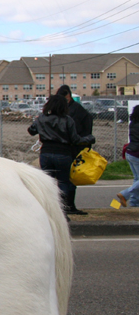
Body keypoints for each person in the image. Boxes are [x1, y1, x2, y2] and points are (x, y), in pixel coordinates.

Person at [28, 94, 95, 218]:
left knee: (48, 183)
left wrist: (39, 125)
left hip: (46, 153)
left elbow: (31, 131)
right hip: (63, 153)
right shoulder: (67, 120)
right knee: (64, 182)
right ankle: (62, 212)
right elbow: (75, 139)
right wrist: (88, 138)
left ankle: (48, 211)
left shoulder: (42, 118)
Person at [56, 85, 93, 214]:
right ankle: (66, 207)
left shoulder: (76, 111)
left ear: (68, 97)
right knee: (65, 180)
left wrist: (84, 146)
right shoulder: (66, 111)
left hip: (73, 148)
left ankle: (68, 206)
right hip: (66, 148)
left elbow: (84, 129)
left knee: (68, 180)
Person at [117, 105, 139, 208]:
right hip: (137, 154)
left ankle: (134, 203)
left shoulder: (133, 123)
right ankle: (125, 194)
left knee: (137, 180)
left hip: (130, 152)